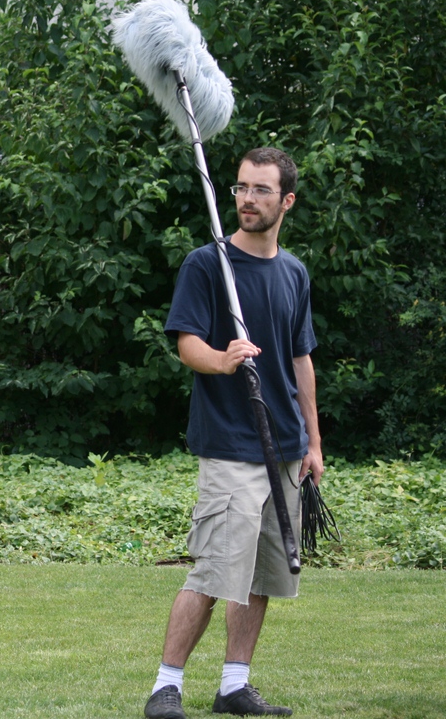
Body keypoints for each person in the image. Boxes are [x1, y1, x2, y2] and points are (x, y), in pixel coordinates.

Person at [143, 147, 324, 719]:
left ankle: (234, 686)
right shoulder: (207, 264)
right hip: (230, 446)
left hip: (285, 448)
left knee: (263, 575)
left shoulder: (294, 272)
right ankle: (165, 687)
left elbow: (301, 360)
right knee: (214, 571)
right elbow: (186, 344)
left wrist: (314, 442)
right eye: (241, 187)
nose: (247, 198)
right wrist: (222, 360)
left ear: (286, 200)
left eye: (260, 190)